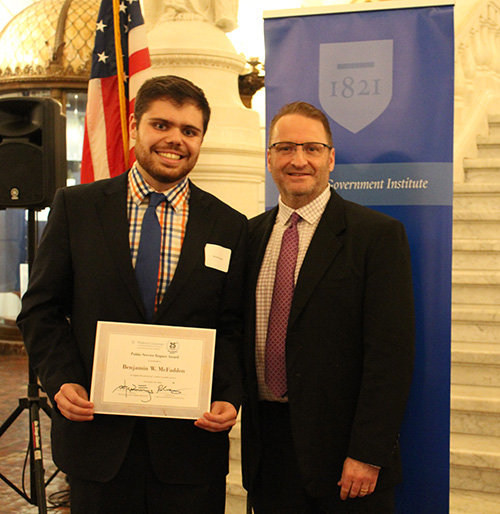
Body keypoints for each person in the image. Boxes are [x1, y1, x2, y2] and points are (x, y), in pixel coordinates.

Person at [17, 75, 247, 514]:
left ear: (200, 139)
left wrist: (228, 395)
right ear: (135, 126)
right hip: (97, 444)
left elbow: (233, 325)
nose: (174, 139)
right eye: (161, 125)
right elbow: (41, 310)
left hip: (191, 448)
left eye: (189, 130)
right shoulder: (77, 207)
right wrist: (62, 380)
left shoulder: (231, 226)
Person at [241, 101, 415, 514]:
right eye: (285, 148)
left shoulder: (377, 237)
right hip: (269, 453)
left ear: (331, 158)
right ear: (269, 158)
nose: (298, 160)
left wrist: (367, 452)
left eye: (312, 149)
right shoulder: (248, 236)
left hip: (346, 460)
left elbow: (390, 356)